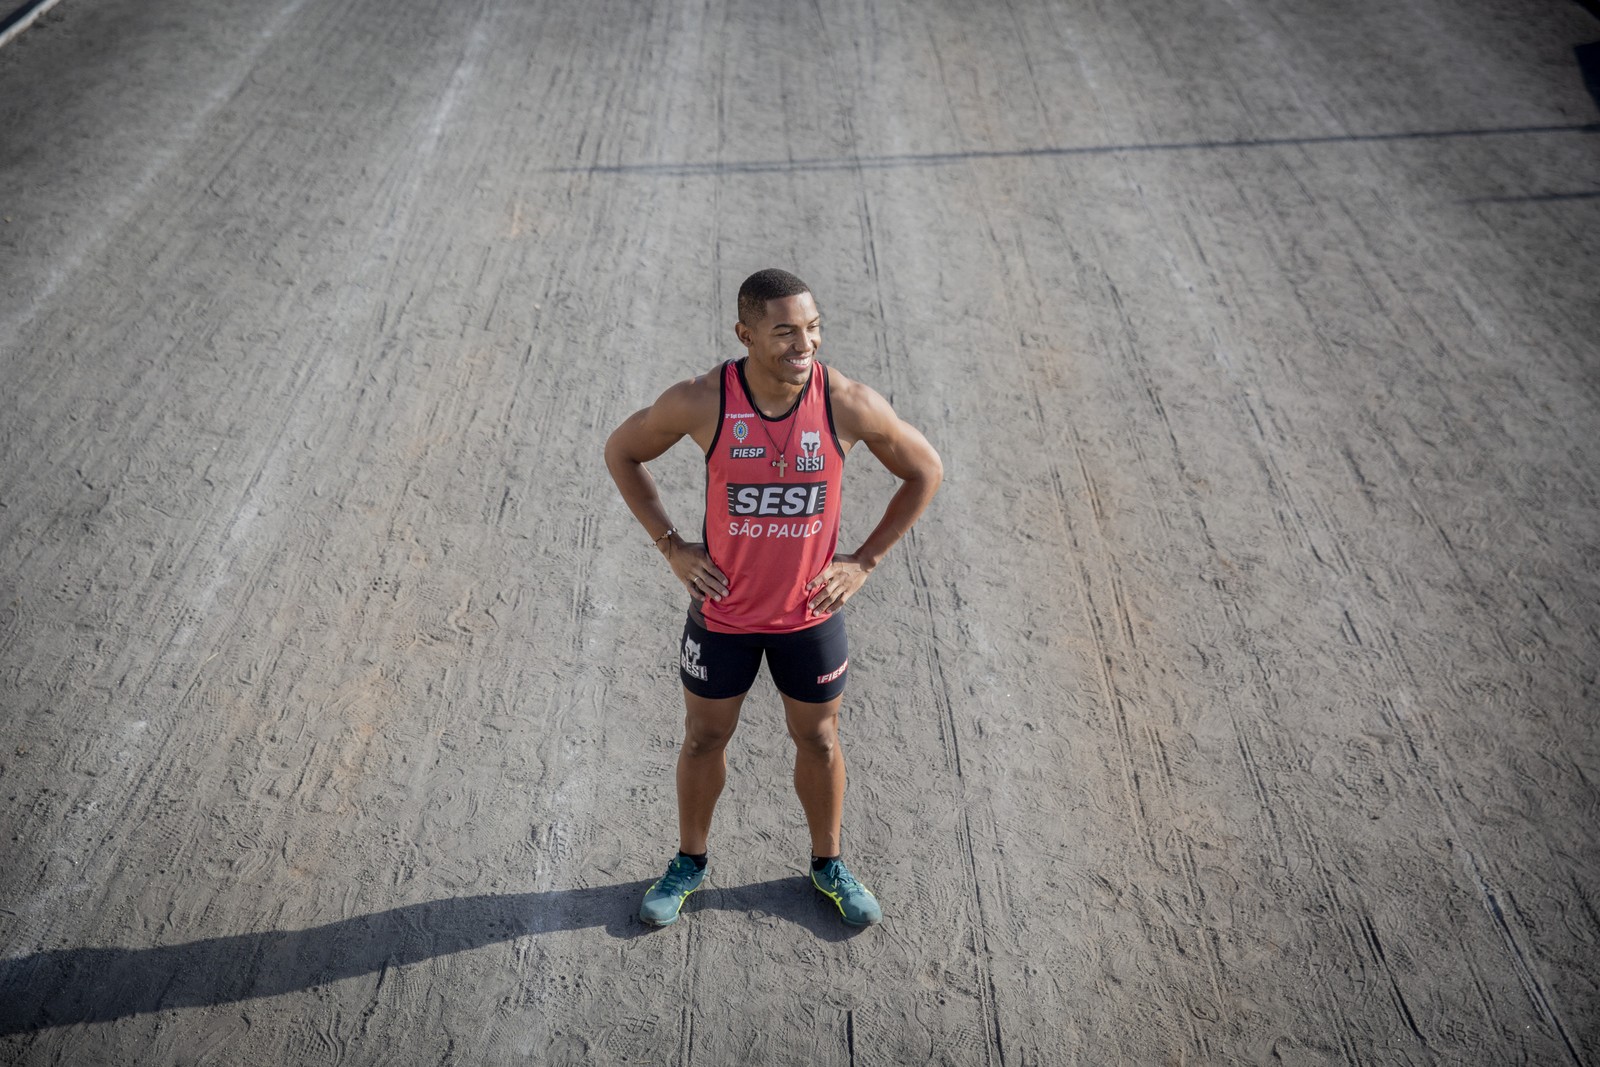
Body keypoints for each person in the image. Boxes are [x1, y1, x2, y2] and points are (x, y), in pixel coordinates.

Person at [604, 268, 942, 928]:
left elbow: (924, 469)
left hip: (808, 617)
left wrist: (864, 560)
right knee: (705, 738)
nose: (804, 344)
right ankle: (689, 863)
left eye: (812, 328)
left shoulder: (845, 402)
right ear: (746, 334)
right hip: (723, 615)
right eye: (785, 331)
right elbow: (623, 451)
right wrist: (671, 545)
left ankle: (828, 864)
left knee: (817, 739)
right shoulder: (704, 401)